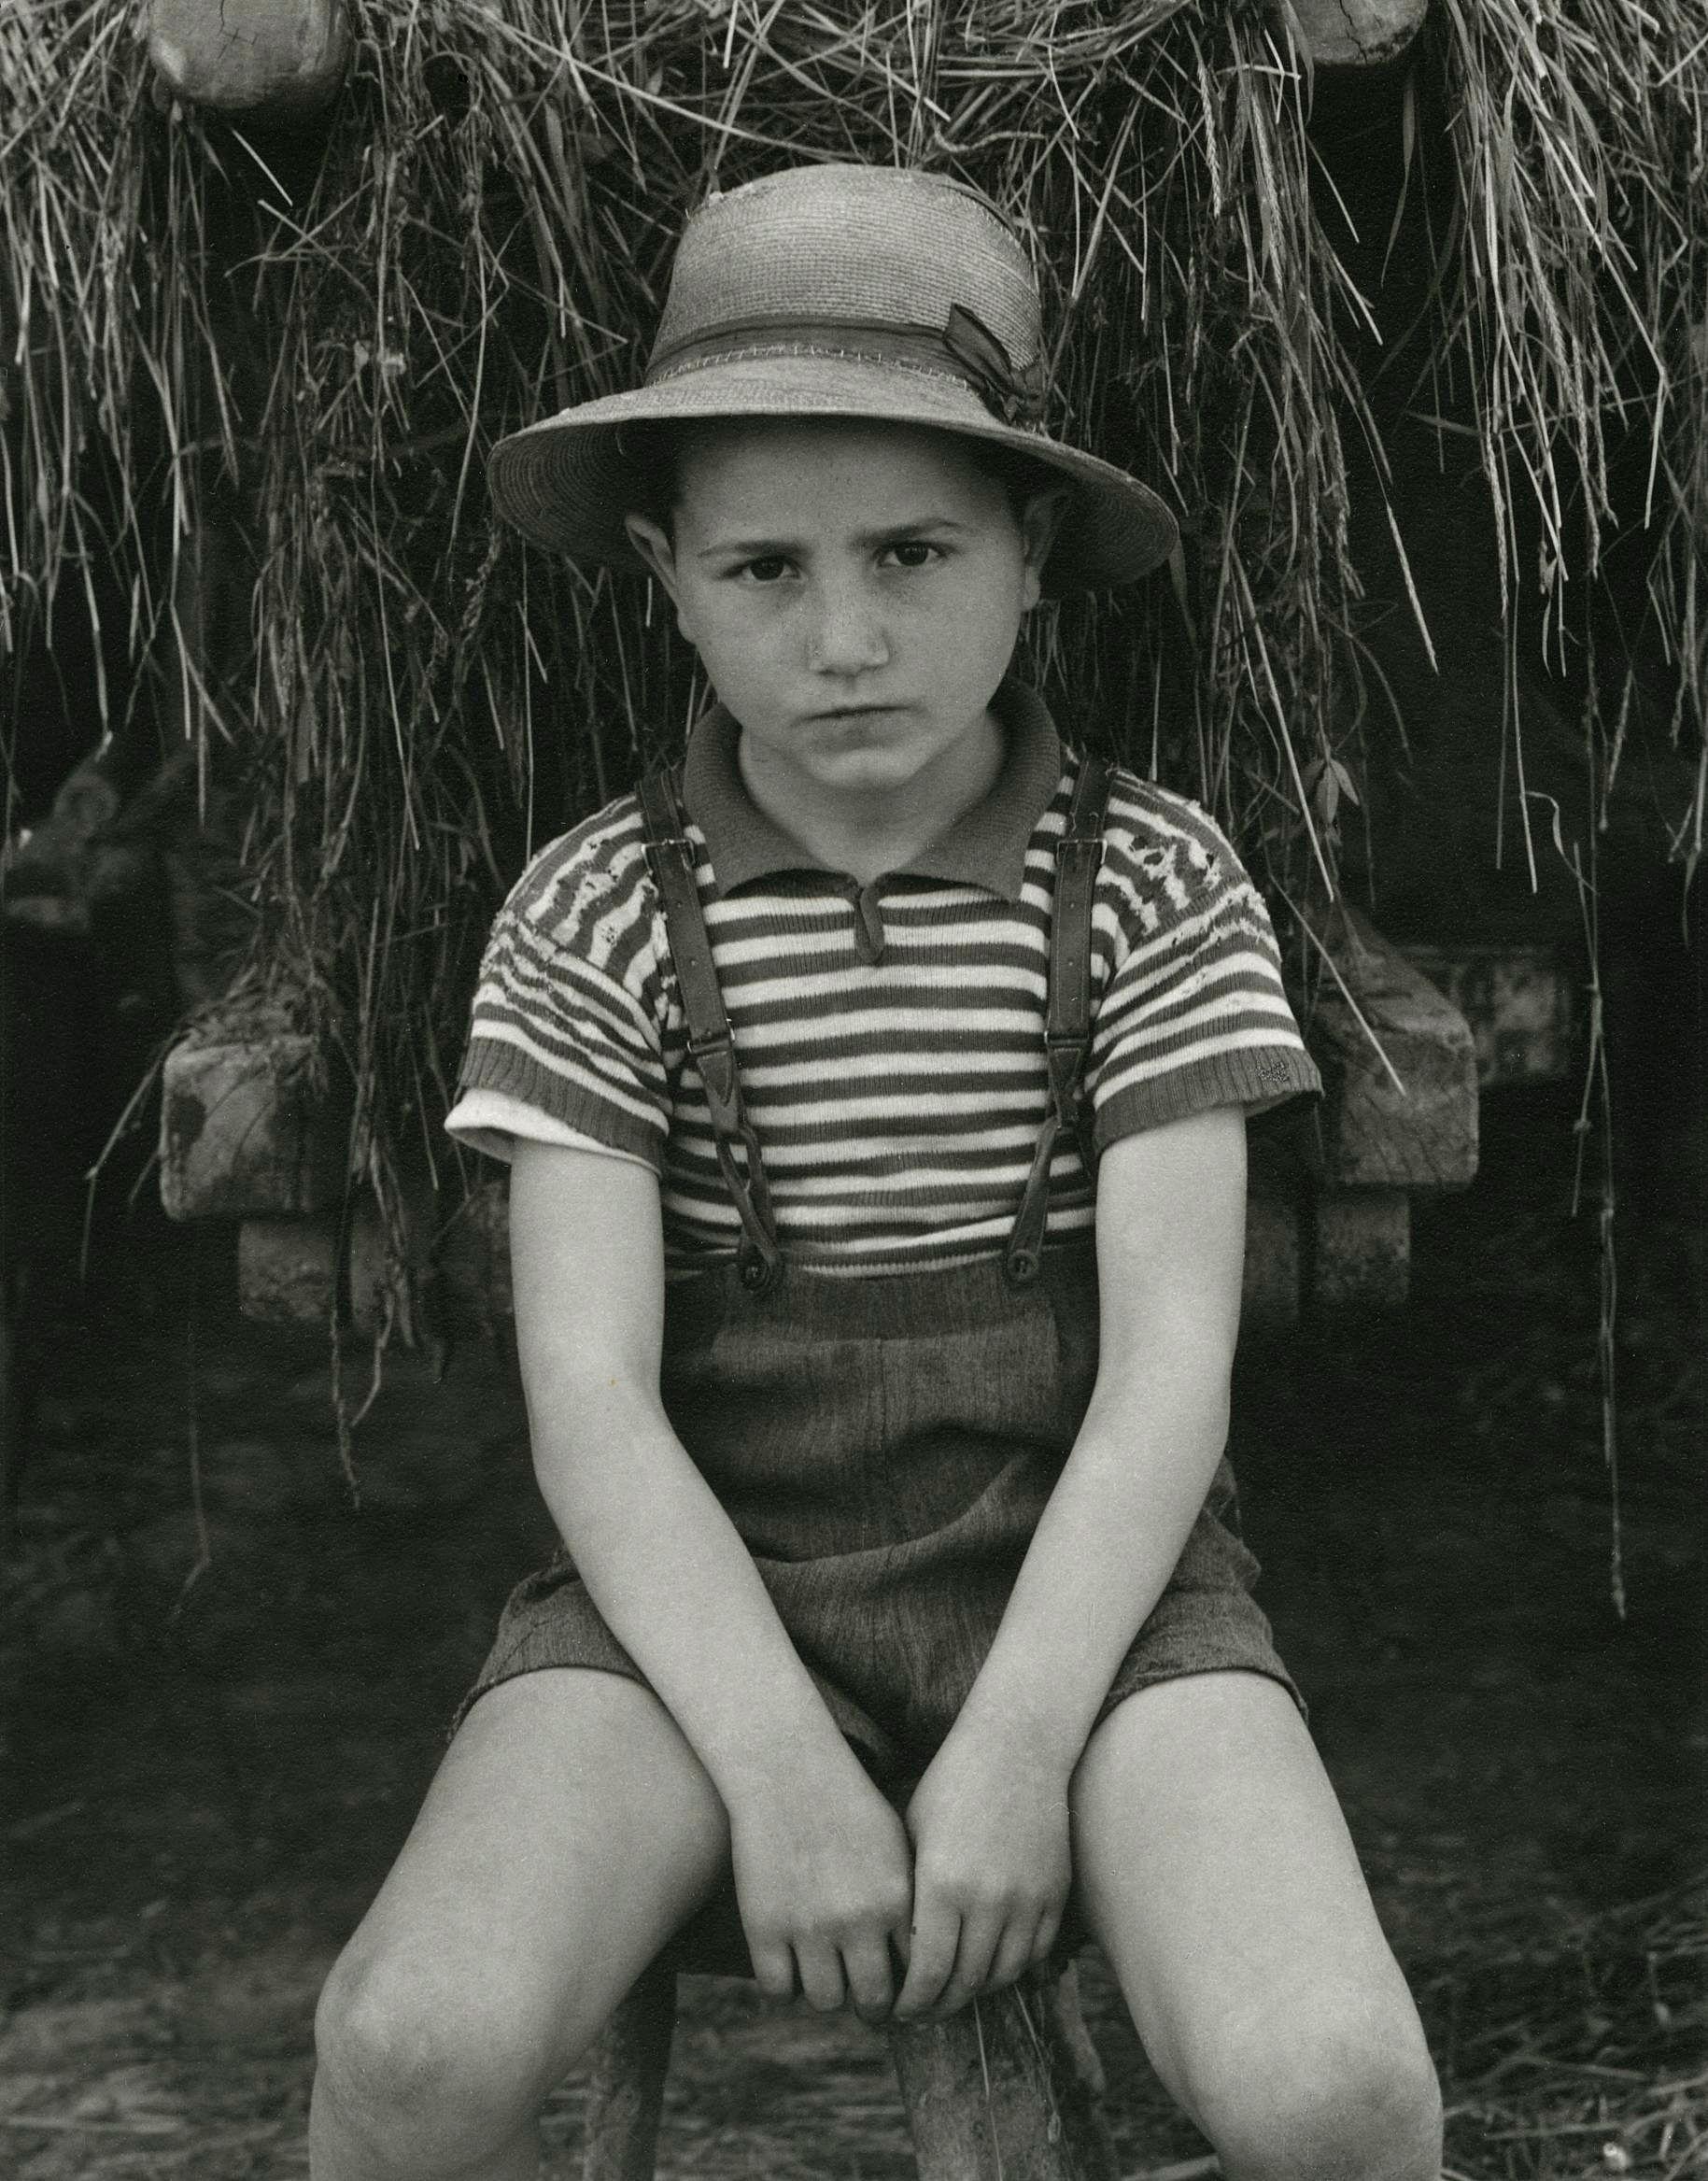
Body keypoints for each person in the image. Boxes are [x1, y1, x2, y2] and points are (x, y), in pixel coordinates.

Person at [309, 163, 1443, 2181]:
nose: (844, 637)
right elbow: (588, 1393)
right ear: (663, 571)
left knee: (1337, 2086)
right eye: (765, 571)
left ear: (1029, 549)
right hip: (700, 1611)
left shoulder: (1158, 883)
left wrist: (1018, 1746)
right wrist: (773, 1766)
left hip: (1097, 1607)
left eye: (914, 551)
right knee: (409, 2047)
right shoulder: (594, 915)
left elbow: (1174, 1366)